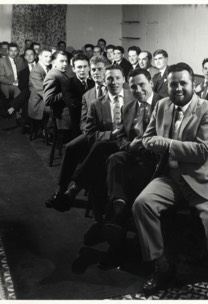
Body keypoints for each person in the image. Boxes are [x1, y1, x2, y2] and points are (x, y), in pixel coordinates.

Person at [132, 62, 208, 299]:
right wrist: (154, 142)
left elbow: (203, 151)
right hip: (171, 178)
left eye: (183, 83)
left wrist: (166, 144)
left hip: (205, 179)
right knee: (142, 204)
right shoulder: (161, 105)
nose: (178, 88)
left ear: (194, 85)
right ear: (166, 84)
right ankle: (162, 265)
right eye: (173, 83)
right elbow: (148, 138)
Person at [84, 68, 161, 265]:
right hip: (133, 156)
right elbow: (121, 137)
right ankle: (118, 208)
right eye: (133, 86)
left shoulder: (164, 105)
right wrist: (130, 146)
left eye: (142, 84)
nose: (138, 89)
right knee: (113, 159)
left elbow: (169, 138)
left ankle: (115, 222)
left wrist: (146, 144)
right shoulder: (128, 107)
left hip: (156, 161)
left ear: (151, 82)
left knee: (122, 173)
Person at [45, 65, 132, 212]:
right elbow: (88, 128)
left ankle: (75, 188)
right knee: (75, 147)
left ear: (124, 79)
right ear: (105, 81)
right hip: (104, 137)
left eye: (118, 78)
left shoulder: (133, 97)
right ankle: (62, 189)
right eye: (110, 78)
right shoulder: (93, 99)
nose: (114, 82)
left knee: (98, 149)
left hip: (125, 141)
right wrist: (110, 135)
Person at [62, 53, 95, 138]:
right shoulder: (68, 83)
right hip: (77, 120)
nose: (82, 70)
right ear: (73, 69)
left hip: (93, 119)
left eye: (85, 66)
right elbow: (72, 104)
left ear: (89, 68)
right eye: (79, 67)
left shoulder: (93, 83)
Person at [2, 48, 36, 127]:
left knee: (26, 93)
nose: (29, 56)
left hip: (41, 90)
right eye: (27, 55)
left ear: (35, 56)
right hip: (29, 93)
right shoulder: (23, 72)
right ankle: (26, 122)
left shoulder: (41, 66)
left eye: (31, 54)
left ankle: (12, 109)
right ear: (25, 57)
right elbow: (21, 86)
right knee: (26, 94)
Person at [43, 51, 71, 132]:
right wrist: (66, 92)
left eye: (66, 61)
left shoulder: (60, 73)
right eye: (62, 61)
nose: (65, 64)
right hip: (62, 116)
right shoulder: (53, 75)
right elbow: (48, 100)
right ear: (53, 62)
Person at [80, 55, 107, 133]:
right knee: (69, 145)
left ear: (106, 70)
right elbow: (83, 121)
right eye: (93, 70)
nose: (96, 72)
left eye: (100, 69)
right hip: (94, 134)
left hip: (113, 134)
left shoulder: (114, 89)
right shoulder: (86, 95)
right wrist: (88, 133)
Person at [28, 48, 52, 137]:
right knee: (57, 110)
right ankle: (48, 131)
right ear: (40, 57)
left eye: (50, 56)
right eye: (46, 56)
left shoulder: (48, 68)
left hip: (44, 99)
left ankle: (50, 130)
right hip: (38, 102)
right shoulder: (35, 70)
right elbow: (42, 90)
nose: (48, 59)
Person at [0, 43, 27, 109]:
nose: (13, 53)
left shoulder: (20, 60)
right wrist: (13, 82)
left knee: (27, 91)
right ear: (8, 51)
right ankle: (17, 115)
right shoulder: (2, 61)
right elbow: (0, 77)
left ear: (18, 51)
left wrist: (19, 81)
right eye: (11, 50)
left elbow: (23, 73)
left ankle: (16, 110)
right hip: (7, 84)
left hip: (18, 82)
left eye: (15, 51)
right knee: (18, 92)